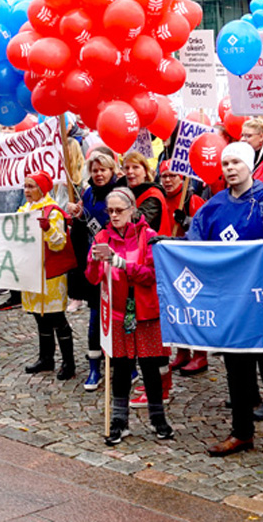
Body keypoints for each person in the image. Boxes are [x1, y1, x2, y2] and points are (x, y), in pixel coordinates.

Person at [187, 141, 263, 470]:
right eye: (225, 163)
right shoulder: (213, 207)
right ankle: (242, 431)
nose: (229, 168)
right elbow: (194, 243)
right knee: (237, 371)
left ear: (250, 165)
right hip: (232, 304)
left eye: (236, 162)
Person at [86, 187, 173, 444]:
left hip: (145, 311)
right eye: (110, 211)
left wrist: (123, 265)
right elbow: (92, 279)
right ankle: (118, 421)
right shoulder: (102, 236)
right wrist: (93, 260)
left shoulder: (148, 236)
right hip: (116, 312)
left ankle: (158, 419)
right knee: (121, 368)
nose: (114, 215)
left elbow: (152, 275)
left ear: (132, 210)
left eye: (119, 211)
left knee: (150, 368)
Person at [65, 149, 124, 391]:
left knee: (120, 317)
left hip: (117, 265)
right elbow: (86, 226)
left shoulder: (120, 194)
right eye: (95, 170)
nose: (99, 174)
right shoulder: (88, 193)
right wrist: (78, 215)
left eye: (103, 170)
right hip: (93, 267)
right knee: (95, 317)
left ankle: (124, 365)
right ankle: (94, 367)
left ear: (112, 171)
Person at [20, 170, 76, 380]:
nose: (27, 190)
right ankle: (46, 358)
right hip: (31, 270)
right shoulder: (24, 209)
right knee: (39, 316)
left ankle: (68, 362)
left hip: (50, 273)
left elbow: (59, 242)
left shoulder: (53, 211)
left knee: (56, 317)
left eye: (31, 186)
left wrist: (47, 230)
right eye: (25, 186)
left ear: (42, 189)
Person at [159, 161, 209, 377]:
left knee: (193, 307)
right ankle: (182, 351)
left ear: (182, 177)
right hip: (170, 262)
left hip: (190, 262)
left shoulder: (192, 199)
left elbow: (205, 229)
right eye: (164, 176)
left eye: (172, 175)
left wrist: (187, 221)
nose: (168, 180)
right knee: (176, 307)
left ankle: (200, 354)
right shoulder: (161, 199)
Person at [123, 151, 171, 236]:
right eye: (127, 168)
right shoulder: (127, 193)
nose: (130, 171)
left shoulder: (153, 195)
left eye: (135, 167)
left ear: (145, 171)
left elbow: (138, 222)